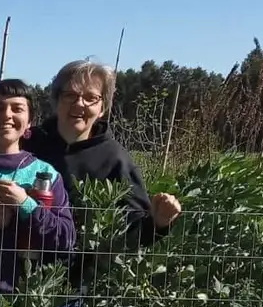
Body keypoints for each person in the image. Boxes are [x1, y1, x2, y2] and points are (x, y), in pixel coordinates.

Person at [22, 60, 184, 290]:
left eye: (91, 98)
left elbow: (132, 230)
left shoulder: (114, 158)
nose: (79, 104)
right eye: (70, 95)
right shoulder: (28, 143)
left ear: (103, 108)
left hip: (75, 285)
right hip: (12, 271)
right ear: (56, 101)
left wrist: (157, 223)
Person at [0, 79, 76, 293]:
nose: (7, 115)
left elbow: (67, 239)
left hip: (28, 303)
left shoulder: (46, 173)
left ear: (29, 122)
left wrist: (25, 204)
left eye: (17, 109)